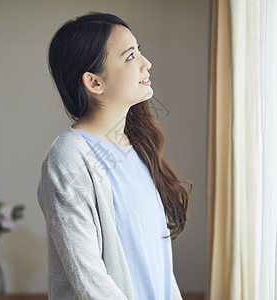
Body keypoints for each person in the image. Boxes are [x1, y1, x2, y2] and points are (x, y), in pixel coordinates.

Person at [37, 11, 192, 300]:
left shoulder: (137, 148)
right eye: (130, 56)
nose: (147, 63)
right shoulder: (68, 157)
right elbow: (89, 279)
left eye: (139, 51)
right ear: (94, 82)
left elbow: (158, 264)